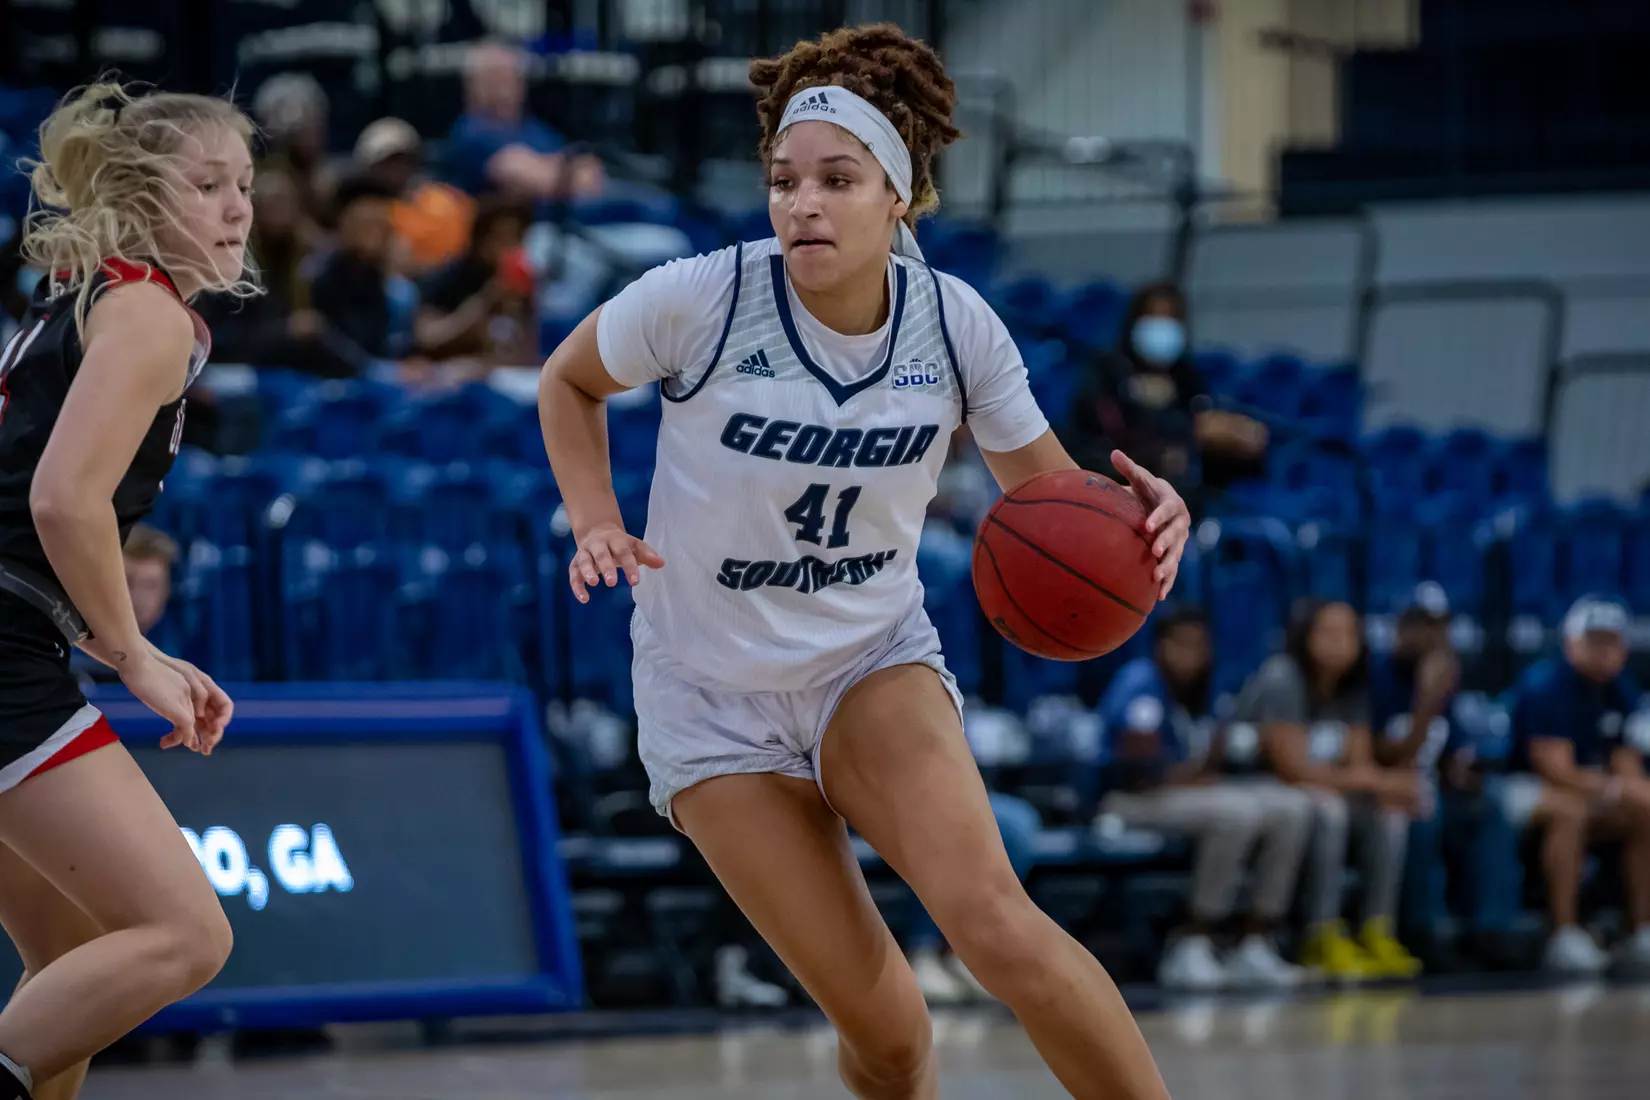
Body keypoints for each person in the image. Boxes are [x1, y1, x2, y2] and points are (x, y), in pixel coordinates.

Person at [538, 24, 1186, 1099]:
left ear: (901, 196)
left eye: (837, 180)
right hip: (710, 696)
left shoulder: (957, 326)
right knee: (887, 1033)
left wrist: (1145, 526)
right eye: (785, 181)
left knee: (998, 927)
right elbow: (567, 380)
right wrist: (595, 517)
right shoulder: (701, 297)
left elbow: (1052, 504)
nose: (803, 203)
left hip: (866, 660)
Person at [0, 82, 242, 1100]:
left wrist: (113, 640)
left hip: (23, 626)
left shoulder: (90, 296)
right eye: (208, 184)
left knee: (75, 955)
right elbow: (61, 500)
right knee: (185, 932)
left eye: (245, 185)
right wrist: (133, 650)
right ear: (145, 198)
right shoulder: (147, 313)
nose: (237, 207)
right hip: (7, 641)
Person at [1097, 608, 1310, 991]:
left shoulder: (1204, 689)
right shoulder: (1140, 684)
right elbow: (1142, 772)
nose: (1191, 654)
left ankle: (1254, 940)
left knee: (1291, 807)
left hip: (1185, 791)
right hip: (1128, 800)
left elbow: (1213, 755)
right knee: (1236, 813)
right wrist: (1204, 771)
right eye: (1182, 644)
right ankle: (1192, 939)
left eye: (1199, 645)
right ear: (1161, 647)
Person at [1229, 600, 1425, 982]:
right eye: (1329, 633)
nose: (1340, 643)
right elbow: (1291, 767)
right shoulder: (1281, 678)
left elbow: (1359, 763)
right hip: (1261, 786)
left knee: (1388, 815)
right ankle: (1320, 934)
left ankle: (1376, 929)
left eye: (1349, 634)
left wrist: (1382, 786)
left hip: (1319, 790)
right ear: (1305, 637)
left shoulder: (1351, 687)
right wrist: (1381, 780)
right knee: (1331, 810)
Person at [1376, 583, 1522, 971]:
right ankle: (1421, 930)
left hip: (1430, 785)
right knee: (1424, 810)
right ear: (1400, 627)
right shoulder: (1378, 675)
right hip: (1383, 788)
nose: (1432, 637)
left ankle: (1492, 929)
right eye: (1421, 625)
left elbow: (1446, 753)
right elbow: (1383, 757)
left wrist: (1461, 771)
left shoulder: (1444, 677)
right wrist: (1428, 699)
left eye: (1440, 627)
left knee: (1490, 803)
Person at [1503, 596, 1650, 973]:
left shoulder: (1622, 690)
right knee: (1570, 812)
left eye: (1612, 641)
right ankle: (1563, 933)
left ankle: (1640, 931)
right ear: (1571, 642)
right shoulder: (1546, 685)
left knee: (1642, 813)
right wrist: (1617, 789)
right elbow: (1555, 769)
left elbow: (1627, 760)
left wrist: (1633, 792)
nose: (1604, 651)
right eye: (1595, 640)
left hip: (1590, 790)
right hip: (1521, 786)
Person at [1064, 281, 1266, 504]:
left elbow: (1198, 427)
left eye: (1170, 318)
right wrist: (1158, 452)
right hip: (1114, 488)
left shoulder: (1188, 377)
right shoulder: (1107, 373)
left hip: (1181, 495)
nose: (1162, 327)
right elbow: (1090, 445)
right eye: (1153, 317)